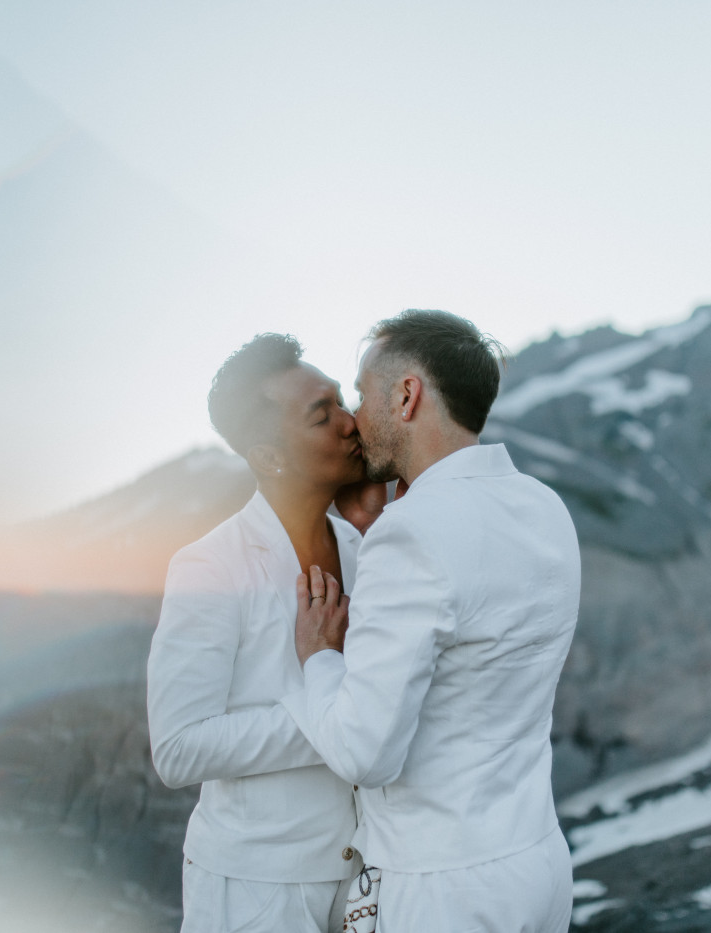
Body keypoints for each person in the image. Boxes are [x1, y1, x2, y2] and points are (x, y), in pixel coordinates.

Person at [286, 309, 582, 933]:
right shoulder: (544, 505)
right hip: (537, 862)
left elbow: (365, 754)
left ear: (406, 395)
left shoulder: (413, 531)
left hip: (444, 890)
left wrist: (318, 657)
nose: (356, 420)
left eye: (364, 396)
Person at [146, 333, 381, 933]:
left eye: (340, 402)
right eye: (320, 415)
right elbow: (178, 749)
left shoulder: (362, 549)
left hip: (364, 881)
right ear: (269, 456)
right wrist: (332, 711)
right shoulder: (210, 566)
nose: (349, 423)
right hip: (255, 889)